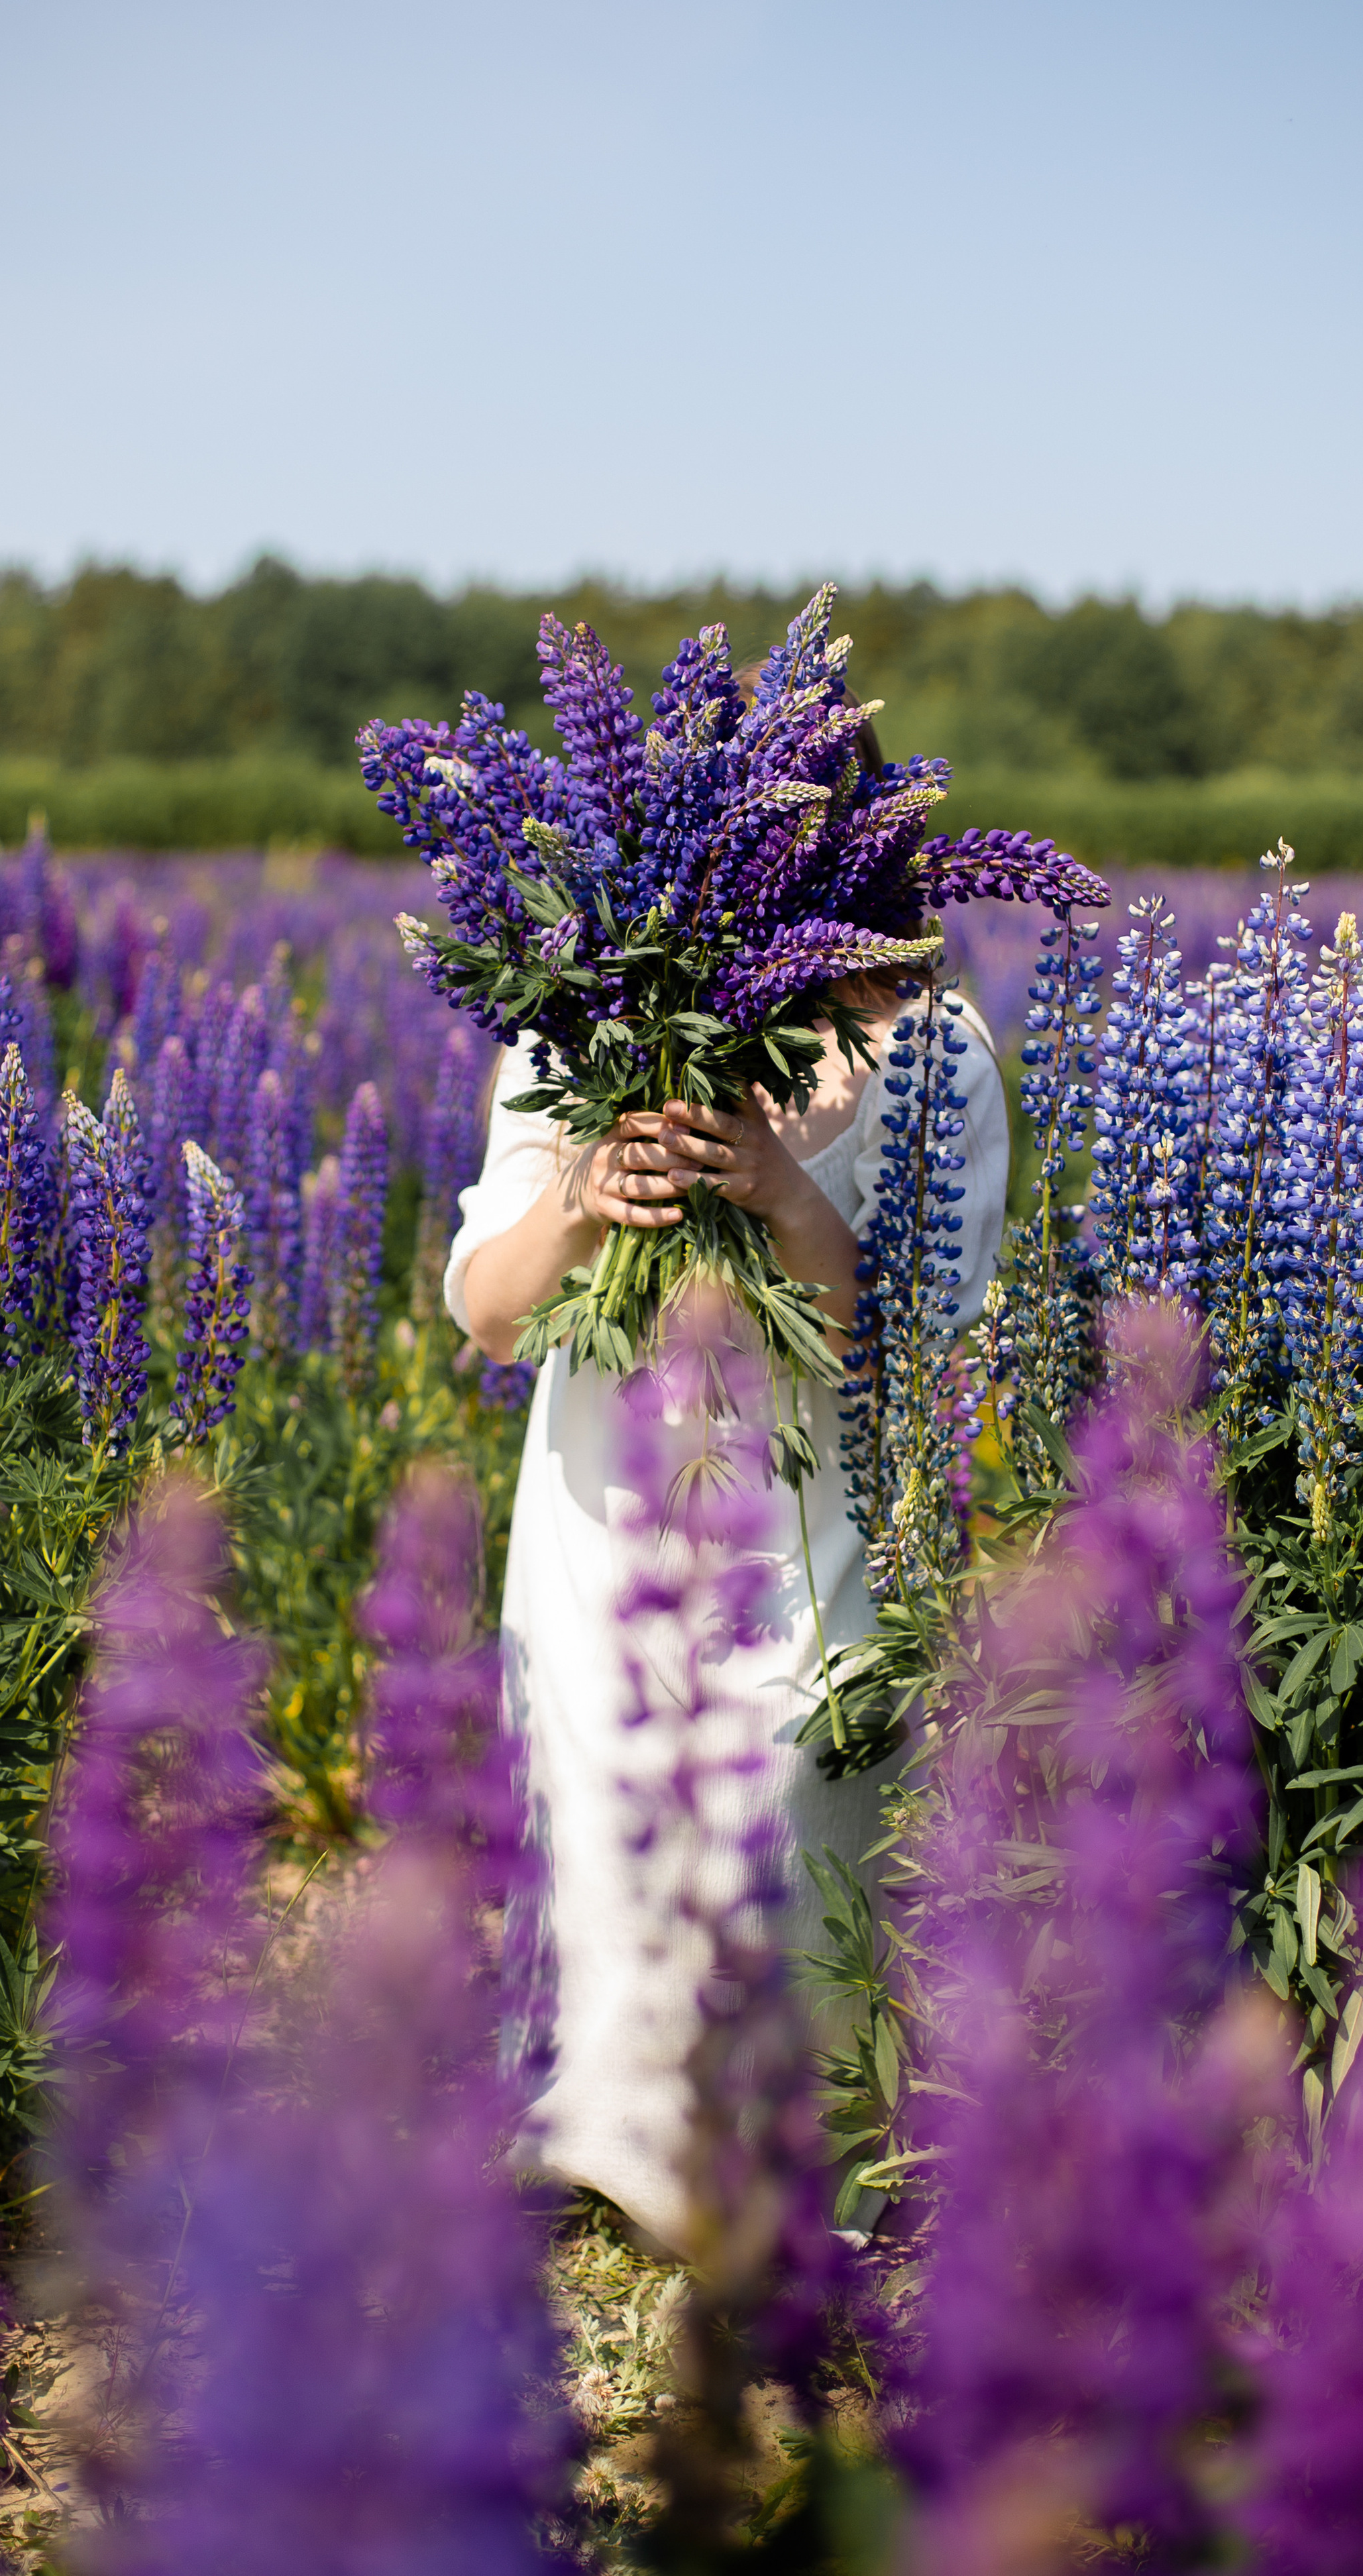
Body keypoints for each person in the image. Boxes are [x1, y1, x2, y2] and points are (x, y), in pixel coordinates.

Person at [447, 871, 1010, 2257]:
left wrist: (770, 1188)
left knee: (781, 1837)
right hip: (600, 1513)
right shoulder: (588, 1017)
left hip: (805, 1530)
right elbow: (487, 1309)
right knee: (595, 1823)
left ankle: (784, 2167)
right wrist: (583, 1191)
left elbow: (915, 1338)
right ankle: (594, 2156)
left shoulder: (935, 1052)